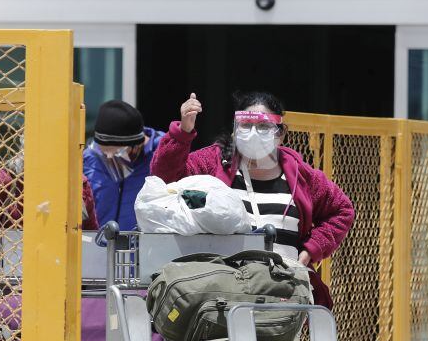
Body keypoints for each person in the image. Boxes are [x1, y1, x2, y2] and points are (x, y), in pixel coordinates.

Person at [151, 91, 354, 308]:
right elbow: (165, 179)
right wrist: (183, 132)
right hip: (221, 298)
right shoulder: (213, 163)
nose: (254, 133)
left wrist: (307, 253)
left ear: (280, 133)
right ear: (234, 130)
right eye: (246, 125)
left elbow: (342, 210)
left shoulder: (301, 175)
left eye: (264, 127)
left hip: (283, 300)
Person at [0, 149, 99, 333]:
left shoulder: (78, 183)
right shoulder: (10, 176)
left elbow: (91, 234)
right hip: (10, 277)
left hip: (58, 275)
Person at [83, 100, 164, 231]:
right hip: (97, 247)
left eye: (116, 153)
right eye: (104, 152)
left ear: (136, 144)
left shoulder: (165, 157)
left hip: (147, 248)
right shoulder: (90, 159)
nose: (109, 158)